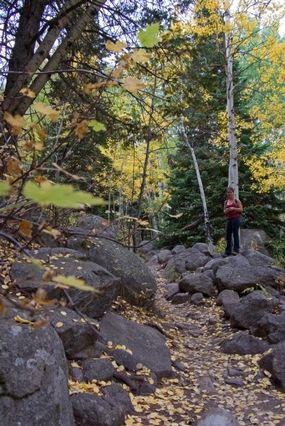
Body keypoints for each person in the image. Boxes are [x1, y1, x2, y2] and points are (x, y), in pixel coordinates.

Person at [223, 186, 243, 256]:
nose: (229, 194)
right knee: (228, 235)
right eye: (228, 192)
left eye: (230, 192)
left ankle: (236, 250)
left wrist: (233, 208)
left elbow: (241, 209)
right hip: (229, 219)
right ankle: (227, 251)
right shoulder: (226, 202)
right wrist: (227, 210)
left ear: (233, 193)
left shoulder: (237, 201)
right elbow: (224, 211)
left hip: (236, 219)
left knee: (235, 234)